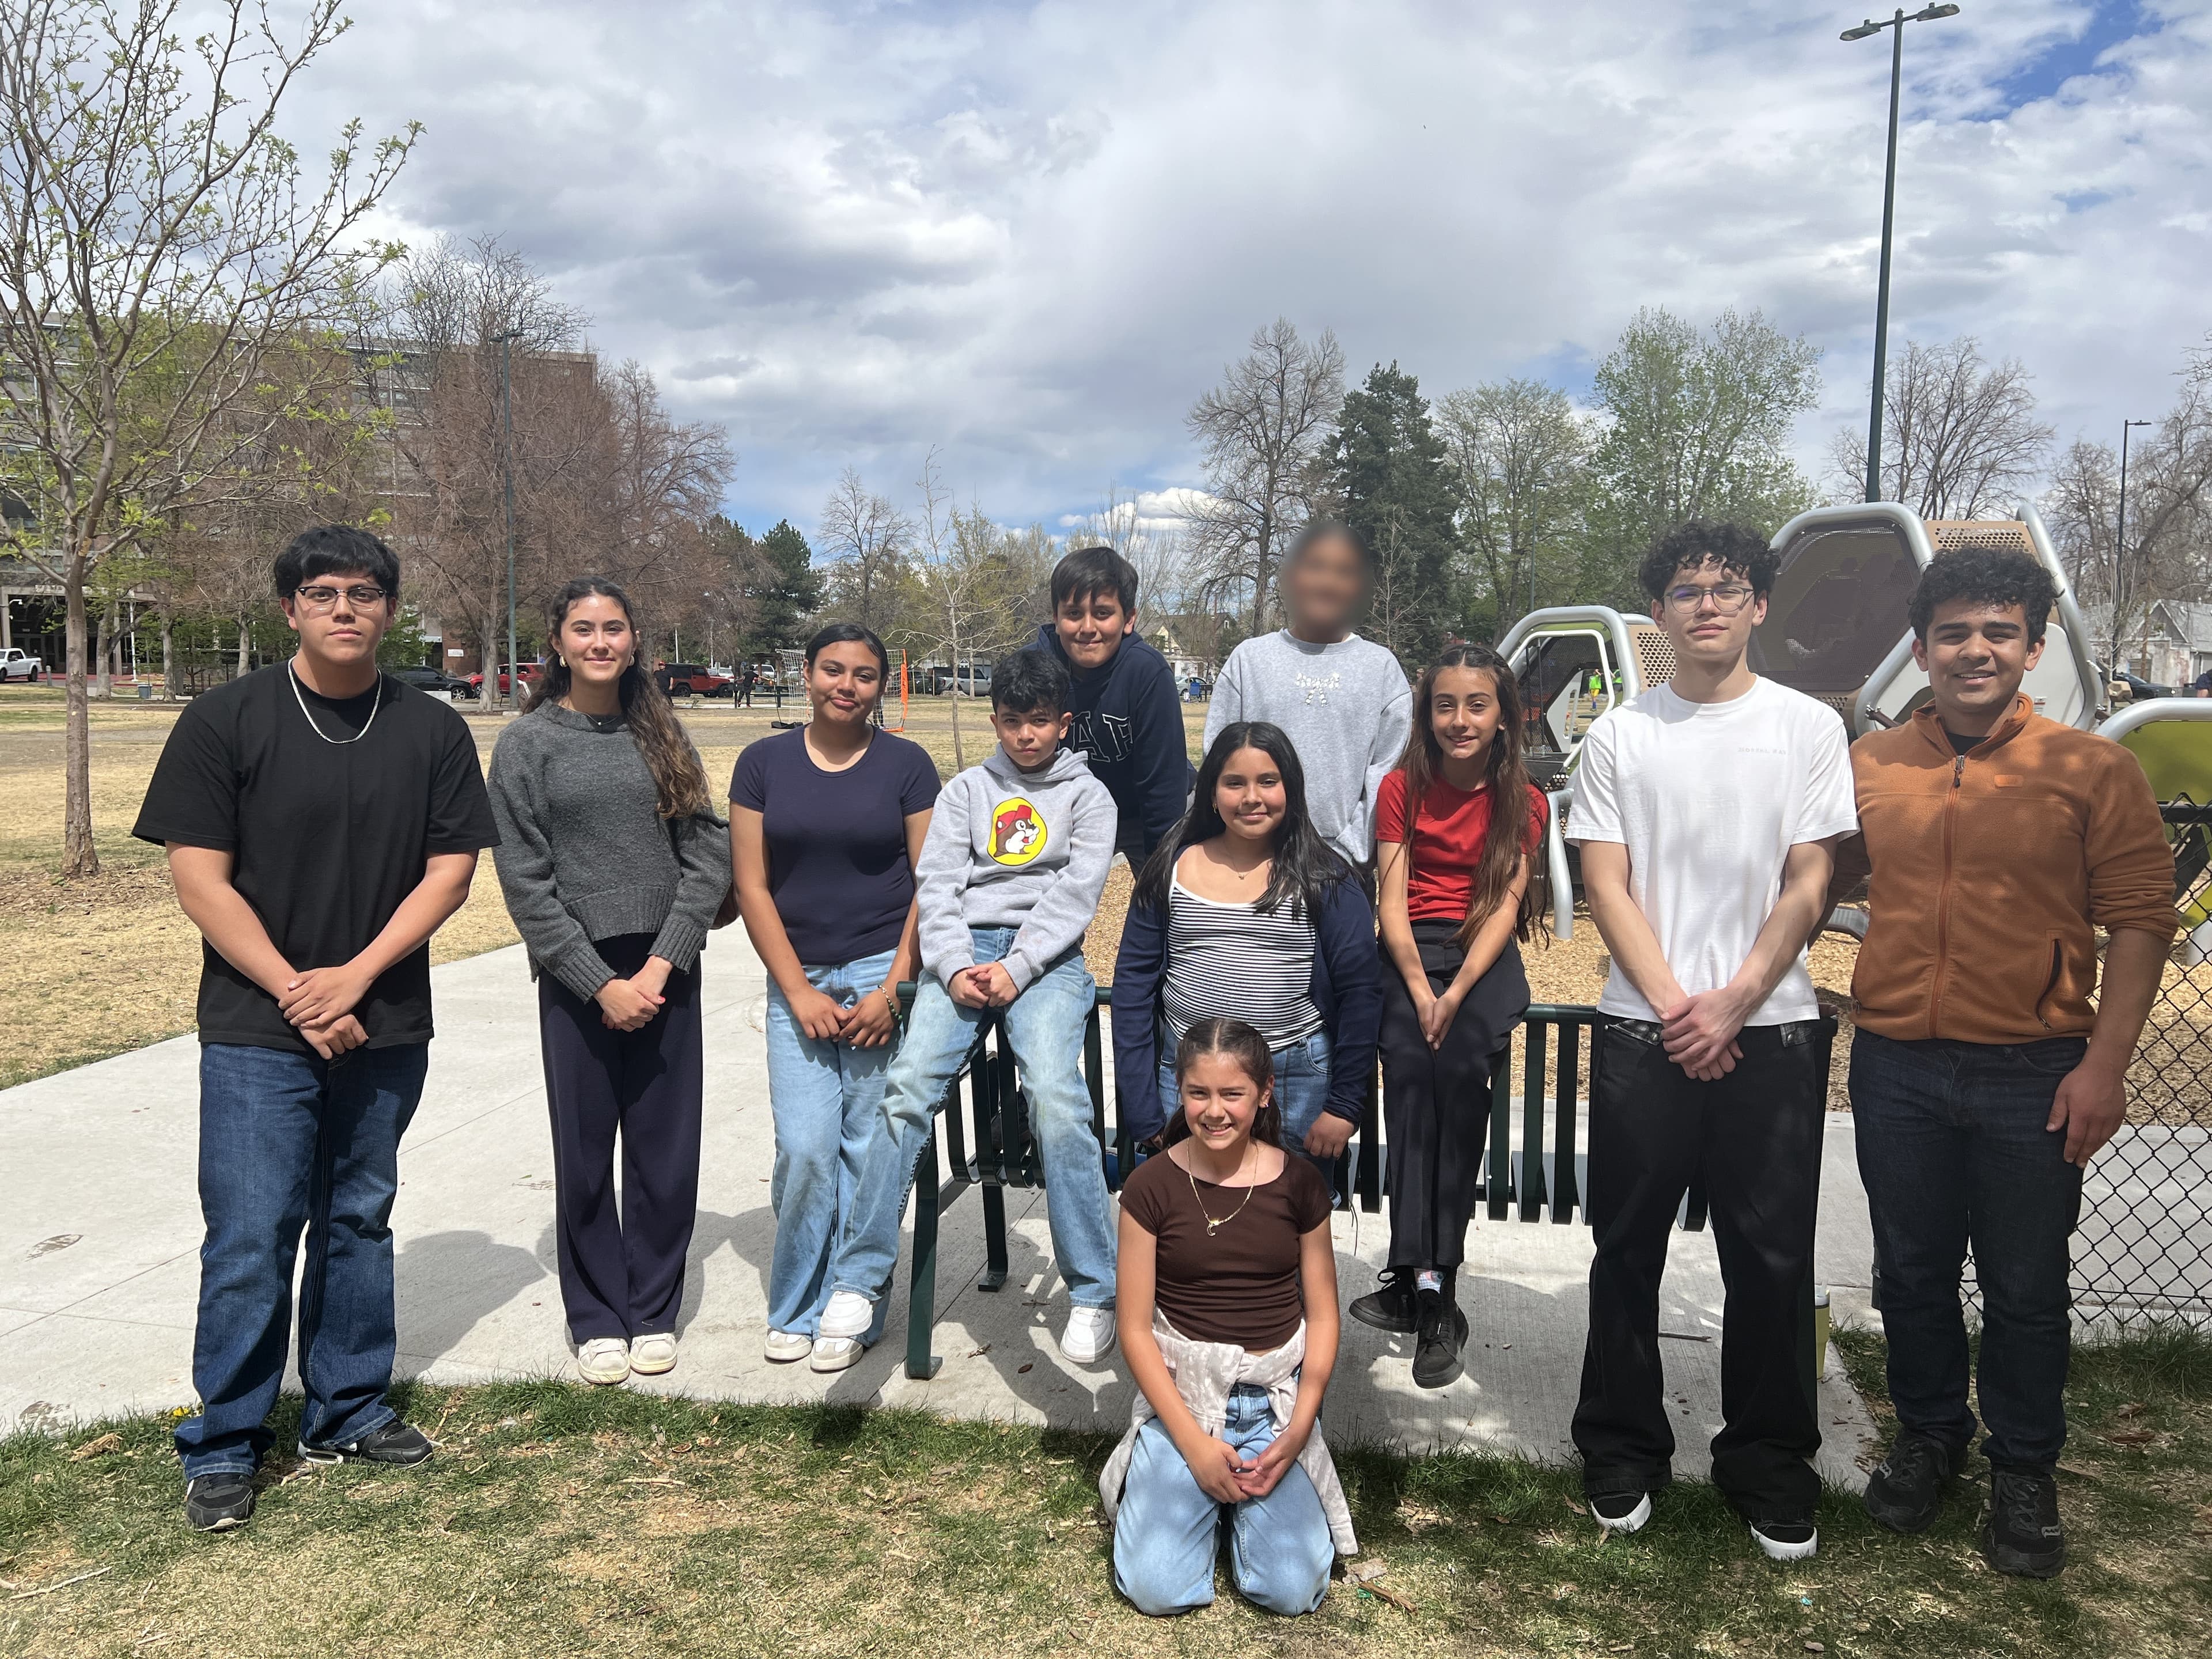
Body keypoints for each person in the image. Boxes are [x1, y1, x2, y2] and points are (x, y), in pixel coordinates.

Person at [132, 525, 499, 1532]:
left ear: (390, 609)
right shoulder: (225, 720)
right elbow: (198, 879)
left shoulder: (431, 730)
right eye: (326, 593)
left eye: (367, 593)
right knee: (253, 1231)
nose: (347, 609)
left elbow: (451, 872)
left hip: (385, 1021)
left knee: (357, 1217)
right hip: (258, 1025)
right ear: (289, 608)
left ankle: (347, 1406)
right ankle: (227, 1440)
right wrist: (300, 989)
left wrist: (357, 979)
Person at [1831, 548, 2177, 1578]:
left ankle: (2026, 1468)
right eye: (1953, 633)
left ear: (2033, 647)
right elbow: (1816, 871)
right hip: (1896, 1065)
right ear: (1923, 650)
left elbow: (2143, 923)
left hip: (2036, 1070)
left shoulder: (2092, 770)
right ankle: (1932, 1436)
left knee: (2028, 1287)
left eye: (1998, 632)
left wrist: (2103, 1067)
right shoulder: (1875, 764)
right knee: (1913, 1274)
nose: (1974, 650)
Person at [1566, 520, 1858, 1562]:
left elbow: (1812, 878)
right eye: (1684, 590)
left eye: (1726, 588)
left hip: (1771, 1031)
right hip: (1647, 1033)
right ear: (1659, 614)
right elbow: (1607, 883)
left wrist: (1733, 1000)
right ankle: (1620, 1445)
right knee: (1626, 1250)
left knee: (1771, 1261)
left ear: (1759, 605)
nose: (1706, 605)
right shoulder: (1621, 736)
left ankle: (1769, 1460)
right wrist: (1681, 1008)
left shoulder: (1808, 728)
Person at [486, 578, 730, 1388]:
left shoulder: (662, 732)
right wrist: (599, 983)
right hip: (576, 980)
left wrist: (662, 964)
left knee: (665, 1153)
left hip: (667, 970)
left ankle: (654, 1307)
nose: (599, 642)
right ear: (557, 642)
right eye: (583, 629)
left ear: (634, 642)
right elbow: (525, 881)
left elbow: (706, 857)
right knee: (586, 1154)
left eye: (614, 629)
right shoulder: (527, 746)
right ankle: (596, 1316)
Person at [881, 648, 1120, 1362]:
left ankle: (1093, 1291)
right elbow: (939, 885)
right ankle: (861, 1279)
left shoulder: (1088, 798)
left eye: (1040, 722)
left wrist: (1016, 967)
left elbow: (1077, 895)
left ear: (1064, 723)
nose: (1025, 736)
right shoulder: (965, 791)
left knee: (1053, 1094)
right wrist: (953, 967)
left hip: (1046, 959)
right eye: (1013, 722)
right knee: (905, 1090)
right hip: (963, 955)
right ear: (995, 721)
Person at [731, 623, 940, 1369]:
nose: (845, 685)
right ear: (808, 674)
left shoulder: (908, 765)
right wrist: (796, 992)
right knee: (808, 1148)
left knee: (868, 1148)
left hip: (883, 967)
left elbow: (931, 883)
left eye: (862, 674)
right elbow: (751, 886)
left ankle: (856, 1305)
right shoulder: (763, 763)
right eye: (831, 670)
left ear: (881, 685)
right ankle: (796, 1303)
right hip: (801, 978)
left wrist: (895, 988)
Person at [1100, 1017, 1356, 1617]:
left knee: (1292, 1591)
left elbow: (1322, 1317)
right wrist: (1191, 1445)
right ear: (1180, 1091)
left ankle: (1235, 1512)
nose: (1215, 1111)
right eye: (1199, 1094)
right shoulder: (1149, 1187)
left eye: (1232, 1094)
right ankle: (1189, 1491)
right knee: (1156, 1589)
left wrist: (1297, 1433)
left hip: (1269, 1406)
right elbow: (1135, 1327)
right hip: (1186, 1401)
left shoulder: (1298, 1185)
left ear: (1264, 1093)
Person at [1350, 644, 1549, 1389]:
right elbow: (1392, 903)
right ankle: (1422, 1287)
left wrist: (1457, 992)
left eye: (1476, 704)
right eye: (1445, 705)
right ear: (1425, 714)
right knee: (1408, 1071)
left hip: (1479, 958)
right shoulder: (1402, 788)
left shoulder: (1525, 801)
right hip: (1410, 950)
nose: (1459, 720)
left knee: (1460, 1074)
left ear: (1504, 717)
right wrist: (1416, 986)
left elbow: (1503, 905)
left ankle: (1434, 1287)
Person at [1112, 722, 1381, 1184]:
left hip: (1294, 1074)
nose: (1251, 797)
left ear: (1292, 790)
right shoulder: (1170, 868)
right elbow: (1133, 985)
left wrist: (1343, 1105)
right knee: (1188, 1216)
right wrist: (1142, 1106)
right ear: (1211, 793)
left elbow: (1362, 993)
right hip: (1189, 1078)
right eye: (1234, 782)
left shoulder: (1326, 878)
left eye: (1268, 782)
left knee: (1288, 1220)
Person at [1205, 521, 1414, 877]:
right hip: (1251, 862)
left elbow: (1386, 777)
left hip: (1343, 869)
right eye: (1314, 567)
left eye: (1344, 572)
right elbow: (1217, 760)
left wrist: (1345, 854)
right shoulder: (1249, 660)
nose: (1327, 584)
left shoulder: (1381, 669)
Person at [1032, 543, 1193, 863]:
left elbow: (1163, 788)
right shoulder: (1034, 668)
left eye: (1103, 613)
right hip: (1065, 813)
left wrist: (1159, 875)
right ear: (1056, 617)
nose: (1088, 628)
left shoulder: (1147, 672)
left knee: (1168, 896)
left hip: (1140, 811)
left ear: (1129, 619)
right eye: (1074, 613)